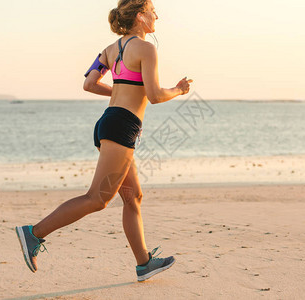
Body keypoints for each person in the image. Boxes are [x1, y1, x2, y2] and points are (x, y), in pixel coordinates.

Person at [15, 0, 192, 282]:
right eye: (151, 11)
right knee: (97, 199)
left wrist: (121, 91)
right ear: (140, 16)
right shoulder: (146, 49)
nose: (156, 15)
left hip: (109, 121)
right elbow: (156, 95)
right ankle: (34, 233)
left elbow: (89, 83)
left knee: (132, 197)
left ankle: (144, 263)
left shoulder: (110, 50)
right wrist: (180, 90)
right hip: (122, 126)